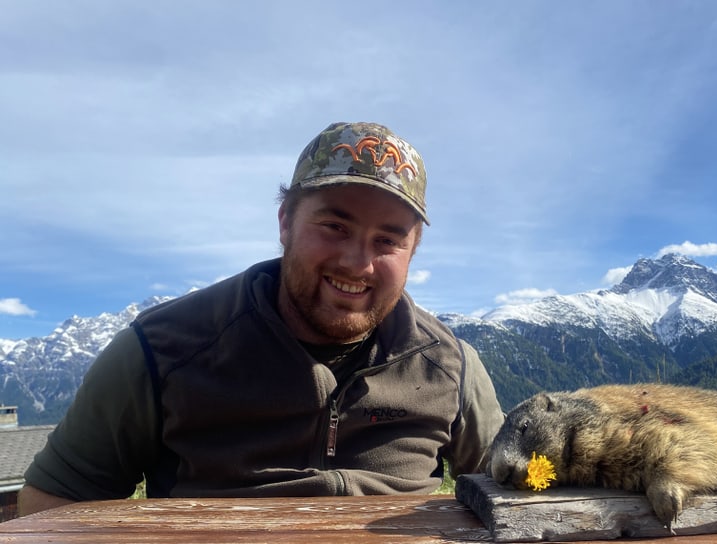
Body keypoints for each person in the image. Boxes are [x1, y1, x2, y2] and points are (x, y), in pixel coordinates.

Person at [19, 121, 505, 515]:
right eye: (335, 226)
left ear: (413, 250)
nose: (358, 264)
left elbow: (511, 494)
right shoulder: (163, 349)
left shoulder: (451, 367)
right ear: (285, 223)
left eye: (388, 240)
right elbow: (52, 503)